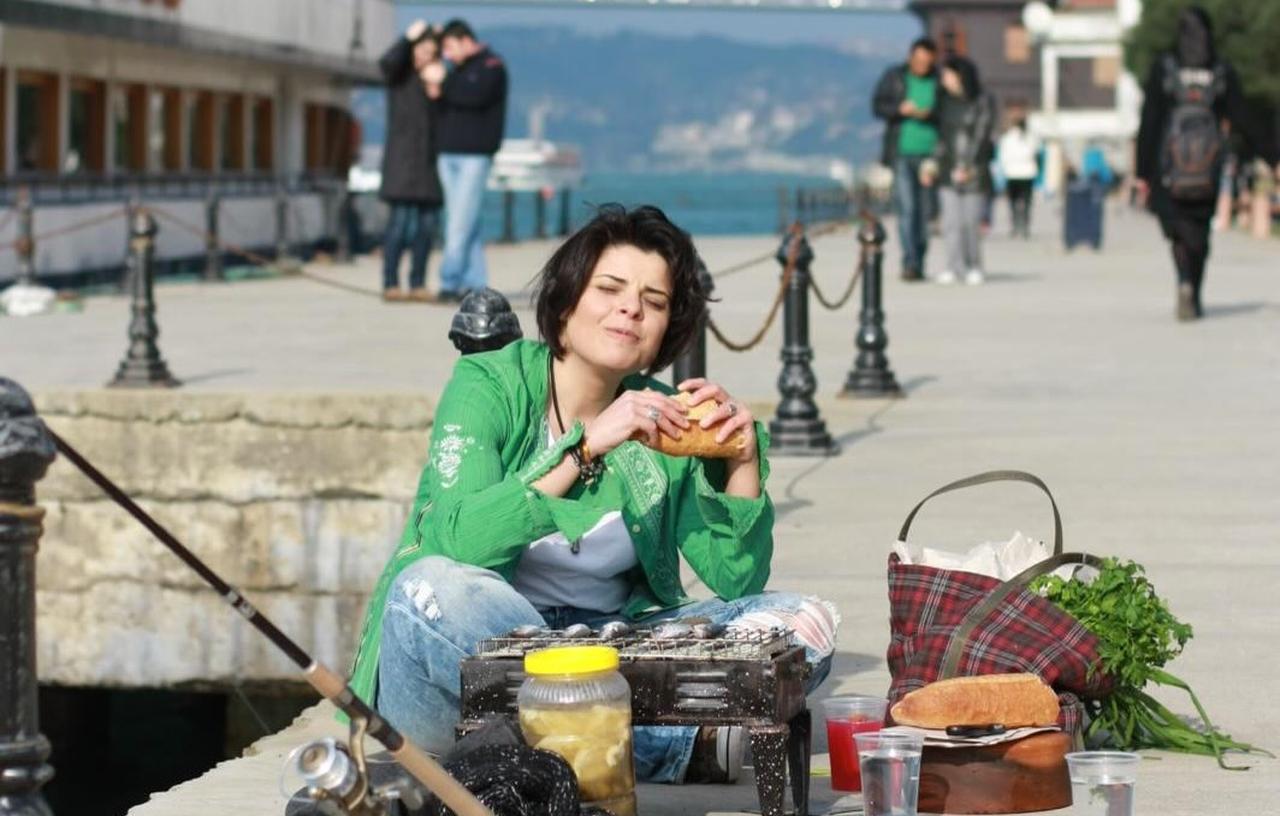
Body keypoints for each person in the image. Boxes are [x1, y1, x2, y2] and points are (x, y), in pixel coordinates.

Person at [348, 204, 838, 785]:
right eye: (609, 288)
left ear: (664, 332)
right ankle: (670, 746)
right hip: (460, 667)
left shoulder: (662, 418)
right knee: (430, 584)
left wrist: (740, 459)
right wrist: (586, 447)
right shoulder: (490, 383)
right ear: (566, 302)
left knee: (801, 622)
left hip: (609, 643)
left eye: (653, 302)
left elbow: (738, 580)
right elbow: (461, 542)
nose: (631, 307)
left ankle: (597, 736)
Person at [1135, 5, 1278, 320]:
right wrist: (1273, 156)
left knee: (1178, 233)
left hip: (1168, 171)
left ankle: (1184, 279)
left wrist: (1142, 172)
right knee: (1200, 234)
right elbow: (1244, 118)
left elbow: (1150, 121)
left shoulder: (1164, 67)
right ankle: (1194, 290)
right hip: (1208, 170)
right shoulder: (1221, 70)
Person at [421, 20, 509, 303]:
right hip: (448, 154)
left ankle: (450, 281)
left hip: (474, 155)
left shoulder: (492, 66)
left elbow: (475, 97)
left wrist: (444, 83)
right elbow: (444, 106)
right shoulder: (455, 71)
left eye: (449, 46)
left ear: (466, 41)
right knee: (466, 222)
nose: (446, 54)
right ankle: (477, 284)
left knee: (458, 222)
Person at [378, 20, 444, 303]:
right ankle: (391, 282)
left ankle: (418, 282)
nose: (423, 56)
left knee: (426, 228)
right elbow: (387, 63)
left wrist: (438, 89)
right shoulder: (400, 77)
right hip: (402, 165)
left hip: (429, 166)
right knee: (400, 225)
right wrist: (408, 37)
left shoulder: (437, 81)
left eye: (430, 51)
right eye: (421, 50)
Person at [873, 37, 940, 282]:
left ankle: (920, 258)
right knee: (907, 209)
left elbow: (949, 111)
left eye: (926, 62)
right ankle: (909, 262)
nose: (922, 65)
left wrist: (931, 113)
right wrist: (899, 109)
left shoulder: (938, 80)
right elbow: (877, 106)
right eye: (918, 60)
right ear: (911, 57)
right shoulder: (894, 76)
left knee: (924, 211)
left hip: (930, 155)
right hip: (901, 152)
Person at [931, 56, 995, 286]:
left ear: (959, 75)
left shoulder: (981, 101)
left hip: (974, 171)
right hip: (948, 169)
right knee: (950, 222)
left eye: (947, 74)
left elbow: (981, 136)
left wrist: (967, 165)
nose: (943, 79)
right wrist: (932, 164)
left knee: (970, 222)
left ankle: (974, 265)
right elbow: (941, 138)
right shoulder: (944, 102)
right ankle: (953, 265)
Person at [998, 114, 1040, 238]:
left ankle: (1015, 226)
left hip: (1012, 173)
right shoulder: (1031, 138)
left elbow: (1003, 156)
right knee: (1027, 202)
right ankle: (1025, 226)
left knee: (1013, 202)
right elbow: (1035, 153)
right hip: (1028, 173)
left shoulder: (1007, 138)